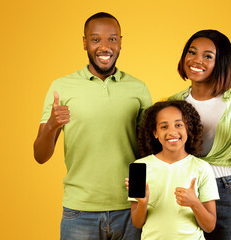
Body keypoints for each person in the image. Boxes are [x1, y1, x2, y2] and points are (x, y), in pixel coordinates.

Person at [33, 12, 152, 240]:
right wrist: (51, 126)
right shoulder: (61, 87)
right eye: (96, 39)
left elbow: (149, 151)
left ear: (120, 43)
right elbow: (40, 156)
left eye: (112, 39)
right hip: (79, 210)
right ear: (85, 42)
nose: (104, 47)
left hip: (130, 208)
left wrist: (140, 198)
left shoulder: (139, 88)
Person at [169, 30, 231, 240]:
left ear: (221, 62)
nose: (196, 60)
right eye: (191, 52)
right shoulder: (174, 103)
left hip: (228, 192)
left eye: (208, 56)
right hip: (187, 189)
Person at [125, 100, 220, 239]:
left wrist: (195, 203)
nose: (172, 132)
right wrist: (142, 203)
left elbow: (209, 226)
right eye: (164, 127)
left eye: (179, 125)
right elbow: (137, 223)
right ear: (155, 133)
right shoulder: (140, 167)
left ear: (188, 128)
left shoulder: (202, 168)